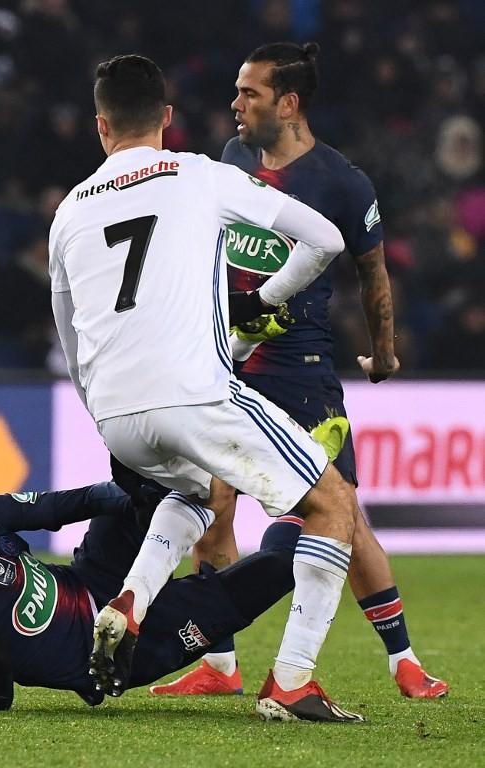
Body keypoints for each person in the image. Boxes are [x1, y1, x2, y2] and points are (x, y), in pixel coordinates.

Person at [50, 54, 365, 723]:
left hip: (113, 411)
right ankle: (292, 682)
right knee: (333, 504)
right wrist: (260, 308)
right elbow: (325, 239)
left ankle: (130, 601)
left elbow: (71, 343)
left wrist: (107, 407)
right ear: (166, 118)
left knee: (195, 493)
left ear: (100, 124)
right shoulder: (199, 174)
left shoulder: (69, 211)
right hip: (193, 392)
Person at [153, 42, 447, 700]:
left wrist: (385, 352)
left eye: (249, 93)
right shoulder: (230, 160)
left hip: (299, 369)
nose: (235, 104)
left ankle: (402, 658)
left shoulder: (342, 182)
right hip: (227, 360)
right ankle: (220, 666)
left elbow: (373, 276)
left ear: (287, 104)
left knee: (341, 512)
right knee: (212, 505)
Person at [0, 482, 297, 711]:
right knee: (282, 565)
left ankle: (275, 471)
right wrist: (0, 666)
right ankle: (317, 510)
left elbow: (78, 502)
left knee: (156, 481)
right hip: (117, 655)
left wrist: (143, 499)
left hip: (94, 578)